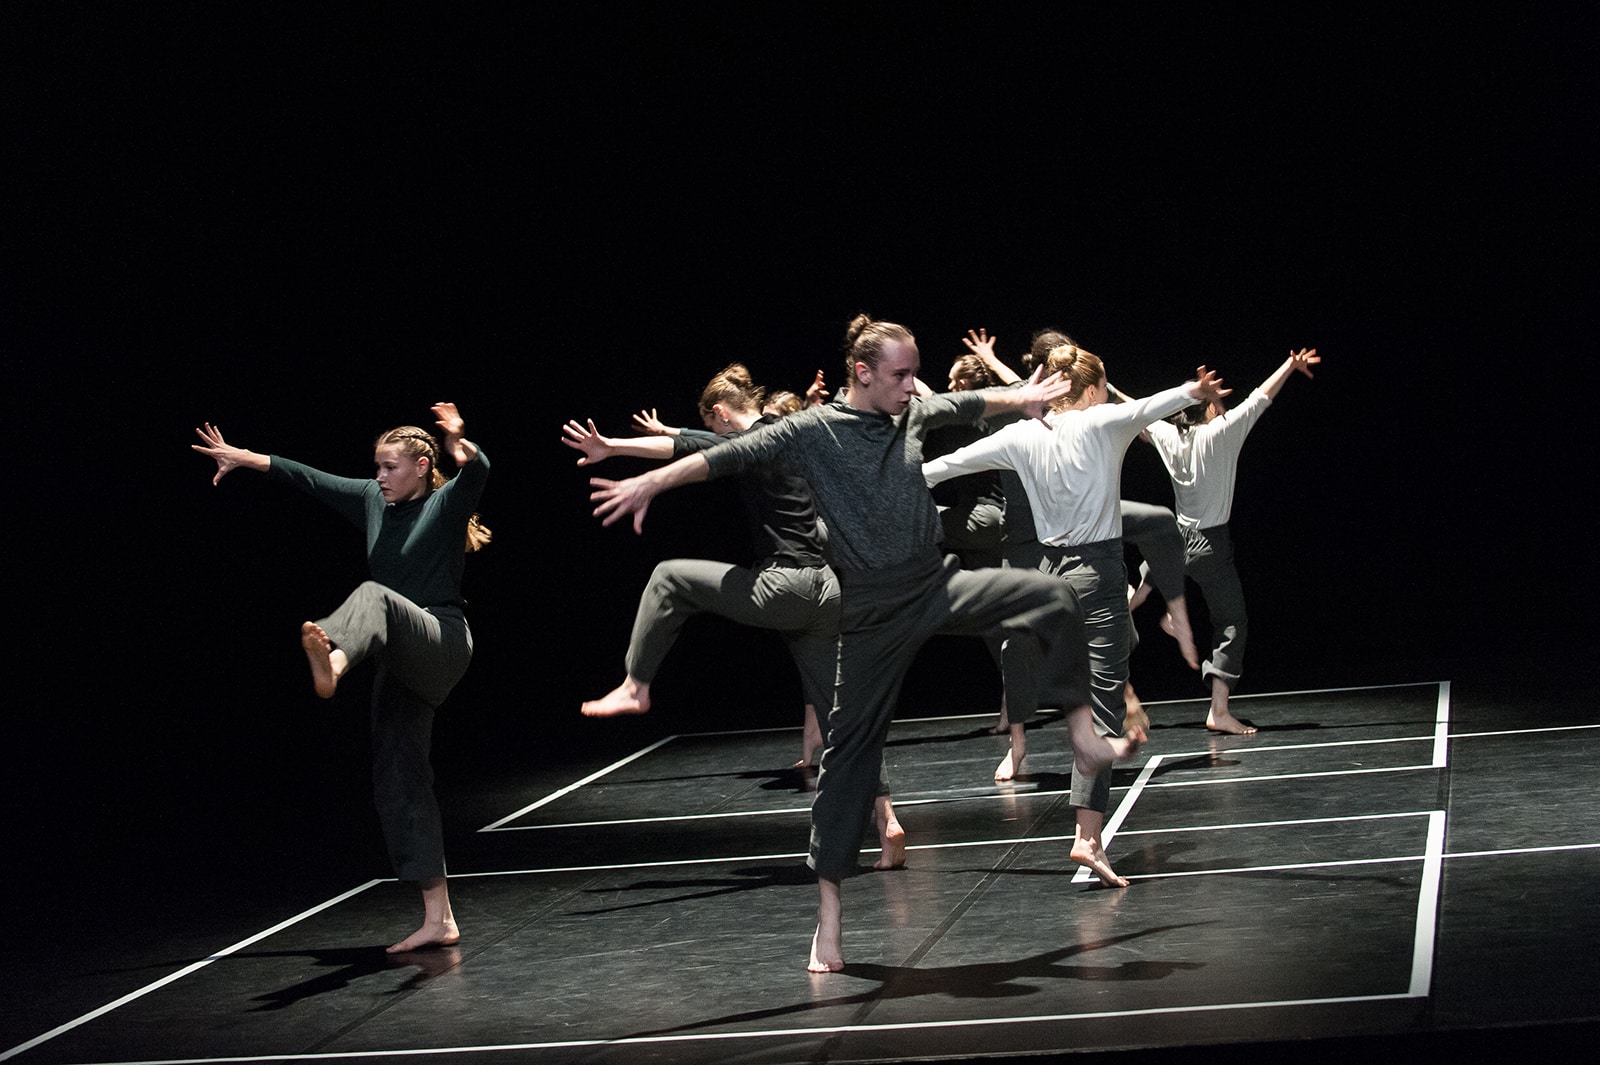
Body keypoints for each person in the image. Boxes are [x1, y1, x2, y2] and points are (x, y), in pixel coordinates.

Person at [587, 314, 1142, 973]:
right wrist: (650, 478)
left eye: (914, 372)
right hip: (873, 611)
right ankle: (829, 920)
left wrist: (1021, 397)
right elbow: (723, 455)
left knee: (1051, 595)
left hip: (934, 584)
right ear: (864, 372)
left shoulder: (908, 412)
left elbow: (963, 402)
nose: (913, 386)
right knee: (847, 757)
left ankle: (1080, 731)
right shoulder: (812, 431)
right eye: (901, 374)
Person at [565, 365, 906, 869]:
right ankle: (888, 821)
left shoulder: (753, 442)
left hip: (784, 587)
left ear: (722, 413)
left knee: (669, 576)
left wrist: (615, 448)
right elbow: (697, 441)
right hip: (826, 591)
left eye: (715, 425)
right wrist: (636, 442)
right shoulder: (790, 431)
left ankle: (636, 684)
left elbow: (693, 451)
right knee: (841, 721)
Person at [924, 344, 1227, 886]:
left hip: (1044, 579)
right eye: (1105, 386)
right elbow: (1150, 406)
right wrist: (1194, 392)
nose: (1108, 395)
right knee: (1105, 700)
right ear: (1090, 388)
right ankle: (1087, 837)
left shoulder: (1019, 436)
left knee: (1081, 689)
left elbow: (942, 468)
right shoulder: (1100, 424)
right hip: (1095, 573)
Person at [191, 403, 489, 954]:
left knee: (374, 595)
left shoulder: (446, 504)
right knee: (399, 781)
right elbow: (305, 476)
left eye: (390, 467)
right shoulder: (373, 501)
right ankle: (438, 917)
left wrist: (459, 441)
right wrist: (242, 457)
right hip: (398, 660)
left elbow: (479, 473)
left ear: (422, 466)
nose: (379, 477)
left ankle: (333, 660)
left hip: (441, 641)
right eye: (376, 467)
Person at [1138, 348, 1321, 735]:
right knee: (1231, 621)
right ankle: (1218, 710)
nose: (1223, 405)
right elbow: (1261, 398)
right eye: (1217, 401)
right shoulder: (1221, 434)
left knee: (1131, 597)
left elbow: (1131, 410)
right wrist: (1289, 364)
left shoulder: (1168, 434)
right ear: (1206, 408)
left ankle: (1129, 626)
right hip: (1209, 545)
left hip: (1173, 539)